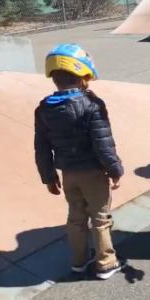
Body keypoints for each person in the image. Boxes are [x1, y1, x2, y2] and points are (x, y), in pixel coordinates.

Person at [33, 43, 126, 279]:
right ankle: (106, 262)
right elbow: (103, 144)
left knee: (75, 218)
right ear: (84, 75)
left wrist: (48, 177)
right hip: (93, 173)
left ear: (54, 77)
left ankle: (78, 261)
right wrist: (115, 169)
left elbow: (42, 147)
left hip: (69, 175)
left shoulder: (43, 108)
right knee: (100, 218)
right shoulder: (93, 105)